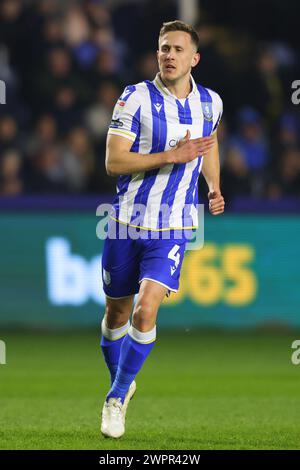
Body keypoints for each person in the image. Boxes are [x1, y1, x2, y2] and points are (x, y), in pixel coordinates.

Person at [100, 20, 225, 439]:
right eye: (163, 48)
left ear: (194, 58)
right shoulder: (134, 97)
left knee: (145, 309)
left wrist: (214, 186)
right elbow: (114, 162)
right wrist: (170, 156)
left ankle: (116, 398)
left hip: (173, 226)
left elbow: (208, 145)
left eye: (177, 49)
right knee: (115, 313)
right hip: (123, 223)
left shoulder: (211, 104)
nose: (169, 55)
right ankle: (123, 380)